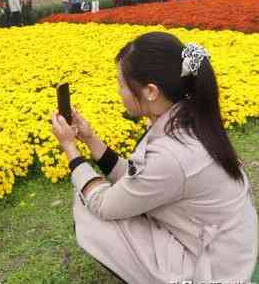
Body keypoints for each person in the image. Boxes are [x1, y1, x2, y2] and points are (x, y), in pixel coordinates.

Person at [51, 32, 258, 282]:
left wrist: (70, 149)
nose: (119, 92)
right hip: (229, 250)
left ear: (150, 91)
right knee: (102, 197)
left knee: (90, 209)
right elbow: (138, 179)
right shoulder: (188, 118)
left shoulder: (173, 153)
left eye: (122, 84)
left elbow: (105, 205)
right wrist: (90, 139)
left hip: (217, 271)